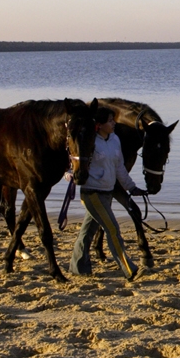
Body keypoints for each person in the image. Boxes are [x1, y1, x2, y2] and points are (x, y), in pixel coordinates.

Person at [69, 105, 143, 280]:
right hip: (92, 193)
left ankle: (78, 267)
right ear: (100, 124)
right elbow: (75, 161)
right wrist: (71, 174)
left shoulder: (115, 140)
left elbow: (119, 168)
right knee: (112, 229)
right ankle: (129, 270)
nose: (113, 123)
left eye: (113, 120)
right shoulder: (90, 141)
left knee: (87, 231)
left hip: (107, 192)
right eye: (110, 121)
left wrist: (131, 187)